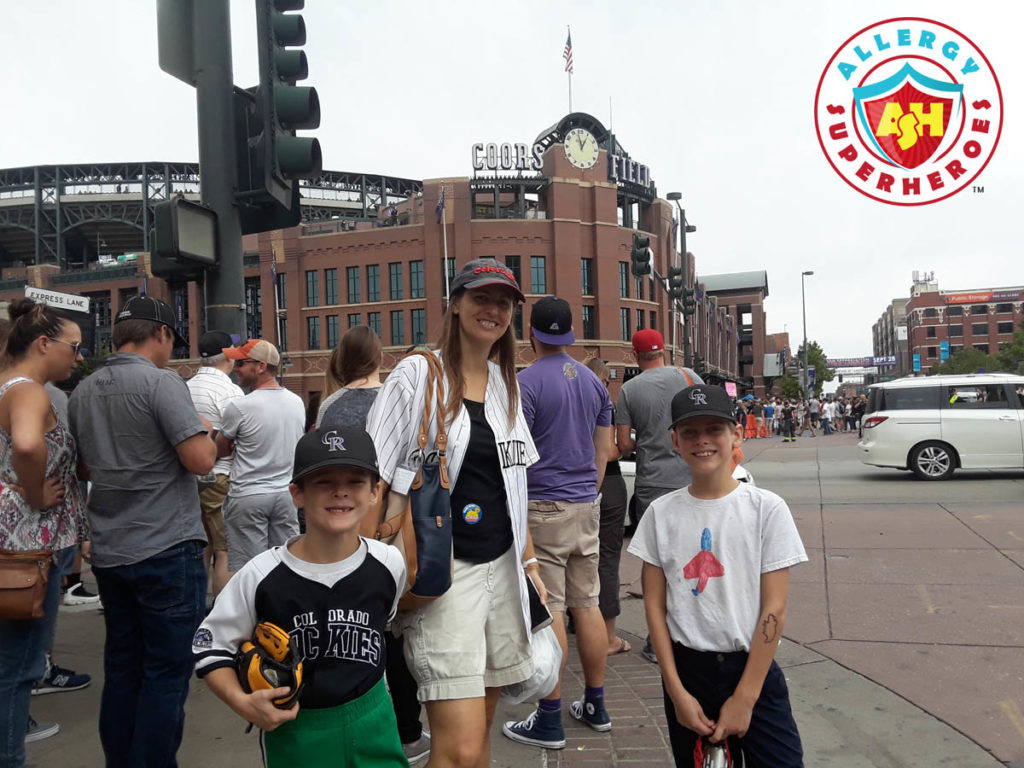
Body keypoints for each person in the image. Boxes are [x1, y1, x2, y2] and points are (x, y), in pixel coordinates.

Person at [366, 258, 544, 768]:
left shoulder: (506, 383)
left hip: (503, 570)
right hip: (444, 576)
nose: (492, 310)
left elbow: (514, 484)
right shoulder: (418, 374)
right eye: (481, 298)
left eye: (504, 302)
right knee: (459, 747)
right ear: (456, 303)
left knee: (476, 740)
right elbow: (371, 477)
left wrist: (530, 566)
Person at [193, 427, 407, 767]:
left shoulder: (389, 563)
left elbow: (386, 620)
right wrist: (241, 701)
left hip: (373, 716)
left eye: (355, 481)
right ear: (297, 493)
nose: (340, 492)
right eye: (323, 481)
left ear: (374, 492)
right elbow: (211, 647)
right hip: (297, 727)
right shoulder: (261, 575)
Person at [69, 295, 217, 768]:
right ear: (162, 334)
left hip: (112, 551)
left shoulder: (84, 391)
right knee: (166, 674)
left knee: (123, 669)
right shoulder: (162, 384)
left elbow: (86, 465)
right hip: (166, 548)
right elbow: (200, 461)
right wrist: (207, 432)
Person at [628, 384, 808, 767]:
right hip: (687, 673)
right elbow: (655, 610)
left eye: (714, 430)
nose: (702, 441)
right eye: (690, 433)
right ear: (675, 441)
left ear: (736, 434)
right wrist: (677, 692)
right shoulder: (661, 514)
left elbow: (774, 608)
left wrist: (745, 699)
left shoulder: (767, 509)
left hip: (752, 671)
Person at [312, 325, 430, 765]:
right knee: (399, 626)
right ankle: (410, 729)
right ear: (380, 357)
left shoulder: (332, 405)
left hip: (350, 526)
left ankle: (360, 722)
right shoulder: (399, 397)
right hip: (403, 522)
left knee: (361, 624)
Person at [504, 297, 614, 749]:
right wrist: (586, 490)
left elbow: (515, 457)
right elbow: (602, 450)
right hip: (586, 502)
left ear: (531, 334)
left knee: (549, 611)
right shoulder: (593, 382)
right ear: (570, 334)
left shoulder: (525, 384)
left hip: (543, 506)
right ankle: (596, 703)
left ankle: (549, 717)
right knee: (586, 604)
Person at [0, 299, 87, 765]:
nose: (78, 357)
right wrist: (34, 492)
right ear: (42, 343)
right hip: (28, 549)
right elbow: (28, 444)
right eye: (73, 347)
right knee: (19, 669)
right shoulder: (30, 391)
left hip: (12, 546)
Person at [614, 329, 703, 663]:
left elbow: (623, 444)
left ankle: (656, 639)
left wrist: (649, 442)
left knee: (659, 563)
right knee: (693, 556)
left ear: (635, 356)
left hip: (653, 486)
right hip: (693, 480)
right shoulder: (689, 376)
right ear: (664, 351)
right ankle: (691, 632)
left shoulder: (629, 389)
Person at [217, 339, 305, 573]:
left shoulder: (240, 407)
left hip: (248, 495)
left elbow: (220, 449)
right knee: (286, 566)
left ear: (261, 366)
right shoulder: (297, 403)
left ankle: (256, 610)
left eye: (241, 363)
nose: (236, 369)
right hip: (285, 495)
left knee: (251, 572)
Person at [187, 330, 244, 599]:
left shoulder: (185, 386)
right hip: (221, 478)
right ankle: (221, 617)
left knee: (200, 548)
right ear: (230, 356)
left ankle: (196, 609)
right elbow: (240, 437)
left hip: (188, 480)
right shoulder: (230, 391)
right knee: (225, 551)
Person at [584, 358, 631, 657]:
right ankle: (608, 635)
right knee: (607, 561)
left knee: (578, 560)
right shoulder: (604, 404)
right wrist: (632, 444)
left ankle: (580, 622)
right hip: (607, 484)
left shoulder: (569, 403)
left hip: (572, 486)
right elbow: (612, 450)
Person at [316, 325, 383, 430]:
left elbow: (320, 444)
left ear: (342, 359)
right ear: (380, 357)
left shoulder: (328, 404)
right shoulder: (392, 400)